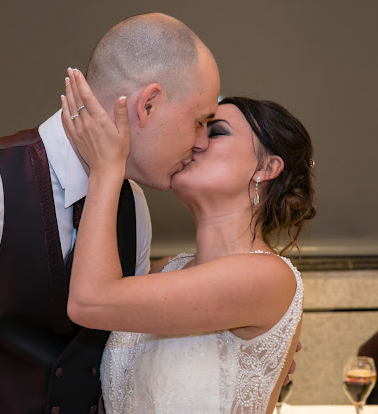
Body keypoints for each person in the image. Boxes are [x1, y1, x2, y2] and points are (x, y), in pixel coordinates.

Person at [0, 13, 221, 413]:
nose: (201, 143)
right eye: (199, 121)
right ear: (149, 104)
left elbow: (117, 368)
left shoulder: (134, 209)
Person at [60, 70, 316, 412]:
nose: (197, 142)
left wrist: (107, 168)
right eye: (197, 128)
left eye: (217, 132)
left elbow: (89, 301)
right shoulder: (166, 270)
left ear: (267, 167)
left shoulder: (267, 277)